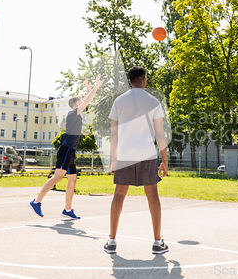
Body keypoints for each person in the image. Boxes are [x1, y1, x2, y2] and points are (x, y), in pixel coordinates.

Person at [104, 66, 169, 254]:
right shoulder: (154, 102)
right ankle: (157, 242)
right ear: (145, 80)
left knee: (119, 194)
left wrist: (113, 159)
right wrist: (164, 160)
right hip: (147, 154)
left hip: (125, 155)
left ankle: (112, 241)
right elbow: (160, 134)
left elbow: (114, 134)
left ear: (130, 82)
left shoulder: (119, 101)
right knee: (152, 195)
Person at [29, 76, 103, 219]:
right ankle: (36, 202)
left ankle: (67, 210)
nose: (83, 103)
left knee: (72, 179)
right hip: (66, 150)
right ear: (76, 104)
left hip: (70, 151)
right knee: (57, 177)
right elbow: (87, 101)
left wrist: (88, 89)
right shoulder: (73, 114)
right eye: (80, 101)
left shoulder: (76, 114)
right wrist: (95, 87)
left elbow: (86, 101)